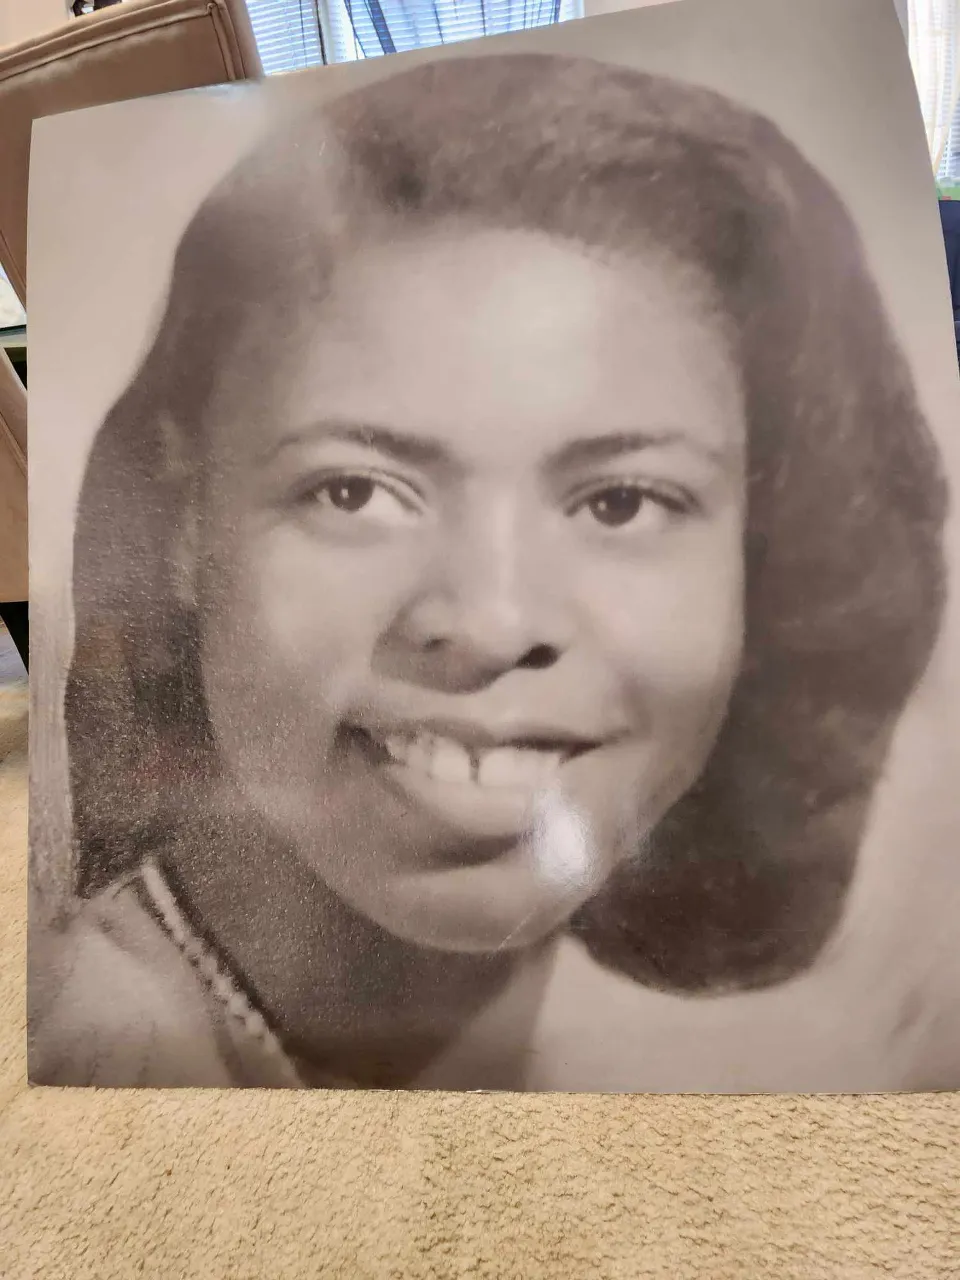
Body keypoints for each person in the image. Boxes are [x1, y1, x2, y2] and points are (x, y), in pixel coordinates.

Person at [29, 52, 948, 1089]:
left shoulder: (769, 1075)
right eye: (355, 490)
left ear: (756, 560)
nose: (490, 619)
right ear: (186, 526)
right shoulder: (95, 1060)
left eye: (620, 501)